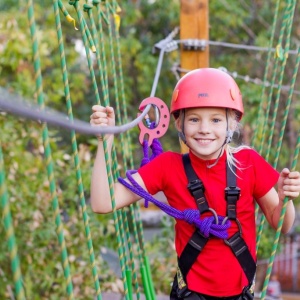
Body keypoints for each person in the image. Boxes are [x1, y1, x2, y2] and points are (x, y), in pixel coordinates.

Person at [90, 68, 300, 300]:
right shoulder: (167, 167)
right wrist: (105, 140)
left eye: (216, 120)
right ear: (179, 124)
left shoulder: (247, 163)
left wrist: (284, 199)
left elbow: (282, 223)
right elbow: (103, 202)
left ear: (232, 124)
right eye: (194, 119)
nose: (204, 129)